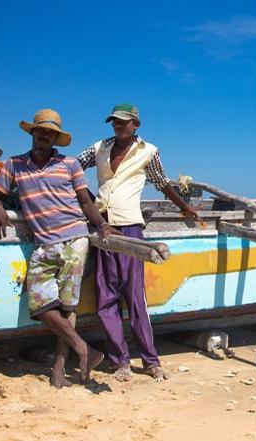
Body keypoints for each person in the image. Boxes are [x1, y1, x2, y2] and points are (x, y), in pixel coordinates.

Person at [0, 108, 112, 387]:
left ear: (56, 138)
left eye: (50, 133)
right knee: (40, 303)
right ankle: (85, 349)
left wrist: (101, 226)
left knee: (68, 306)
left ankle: (58, 367)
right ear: (32, 133)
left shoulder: (69, 164)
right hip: (44, 243)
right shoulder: (14, 165)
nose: (44, 135)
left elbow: (85, 202)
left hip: (74, 239)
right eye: (40, 130)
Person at [76, 103, 197, 381]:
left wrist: (184, 208)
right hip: (103, 227)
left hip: (130, 227)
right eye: (115, 122)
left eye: (123, 122)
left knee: (135, 297)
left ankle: (150, 360)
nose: (118, 126)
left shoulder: (148, 152)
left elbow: (162, 183)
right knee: (106, 298)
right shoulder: (99, 147)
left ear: (135, 125)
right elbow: (72, 166)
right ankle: (120, 362)